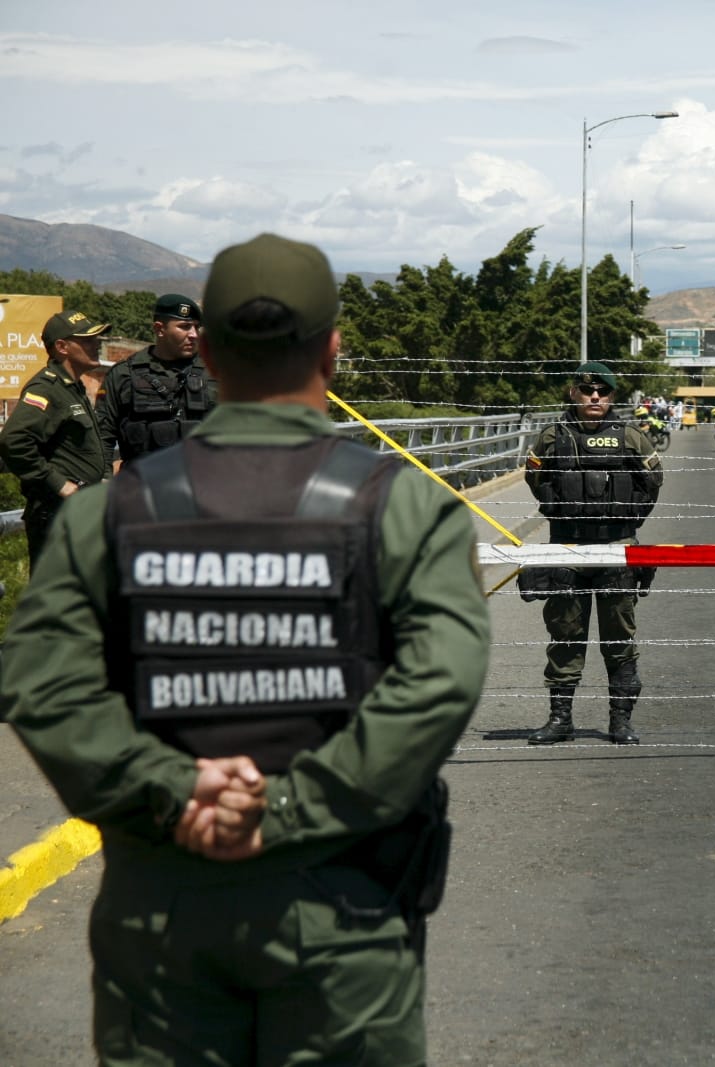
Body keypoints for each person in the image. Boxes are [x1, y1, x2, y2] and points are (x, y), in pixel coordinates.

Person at [1, 233, 492, 1065]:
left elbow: (42, 684)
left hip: (162, 907)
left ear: (212, 352)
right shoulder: (403, 509)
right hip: (343, 908)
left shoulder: (107, 517)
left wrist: (169, 787)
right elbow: (441, 678)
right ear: (333, 350)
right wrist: (294, 807)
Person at [521, 361, 664, 745]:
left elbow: (652, 482)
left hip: (616, 550)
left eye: (602, 391)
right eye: (587, 391)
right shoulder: (553, 436)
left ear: (612, 396)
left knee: (619, 639)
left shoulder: (631, 436)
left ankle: (620, 721)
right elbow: (536, 478)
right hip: (567, 549)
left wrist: (625, 522)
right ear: (573, 393)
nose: (594, 397)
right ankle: (560, 719)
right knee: (565, 636)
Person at [0, 309, 113, 564]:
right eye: (87, 340)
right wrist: (60, 485)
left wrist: (103, 477)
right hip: (56, 516)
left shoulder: (73, 387)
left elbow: (90, 442)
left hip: (81, 513)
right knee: (57, 597)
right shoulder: (47, 388)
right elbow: (13, 441)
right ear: (62, 346)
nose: (97, 344)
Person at [94, 292, 219, 466]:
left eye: (196, 327)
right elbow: (102, 438)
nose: (194, 335)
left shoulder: (216, 372)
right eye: (184, 326)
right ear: (159, 329)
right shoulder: (124, 375)